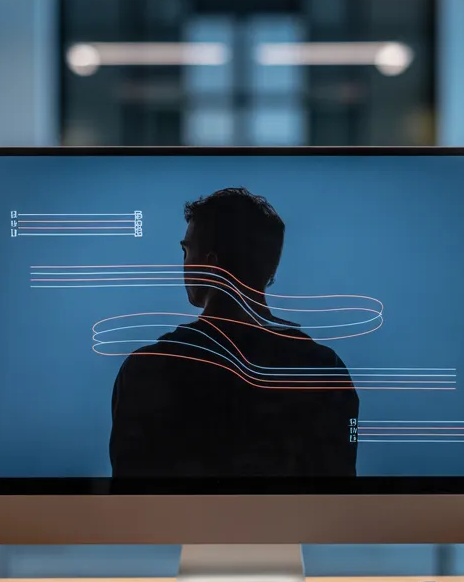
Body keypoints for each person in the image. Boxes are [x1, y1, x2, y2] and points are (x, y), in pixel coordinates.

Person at [110, 187, 359, 477]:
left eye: (186, 251)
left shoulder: (149, 368)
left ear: (211, 265)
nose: (183, 264)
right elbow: (338, 489)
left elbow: (130, 493)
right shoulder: (324, 370)